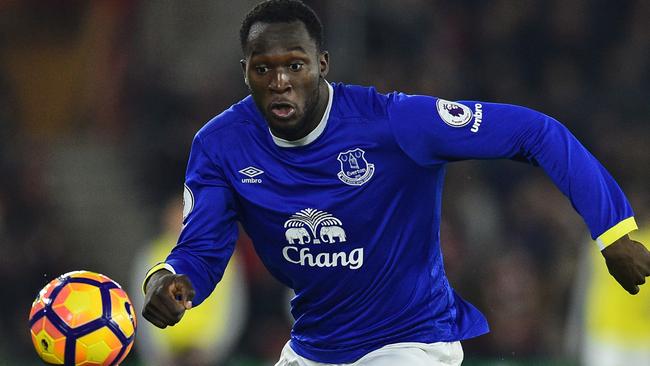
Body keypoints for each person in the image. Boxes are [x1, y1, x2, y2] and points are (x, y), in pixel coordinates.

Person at [141, 1, 650, 365]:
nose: (279, 82)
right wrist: (167, 280)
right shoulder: (220, 145)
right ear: (245, 72)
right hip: (314, 349)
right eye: (263, 69)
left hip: (409, 344)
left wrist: (613, 229)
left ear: (321, 65)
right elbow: (202, 249)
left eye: (294, 65)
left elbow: (535, 131)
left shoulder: (393, 123)